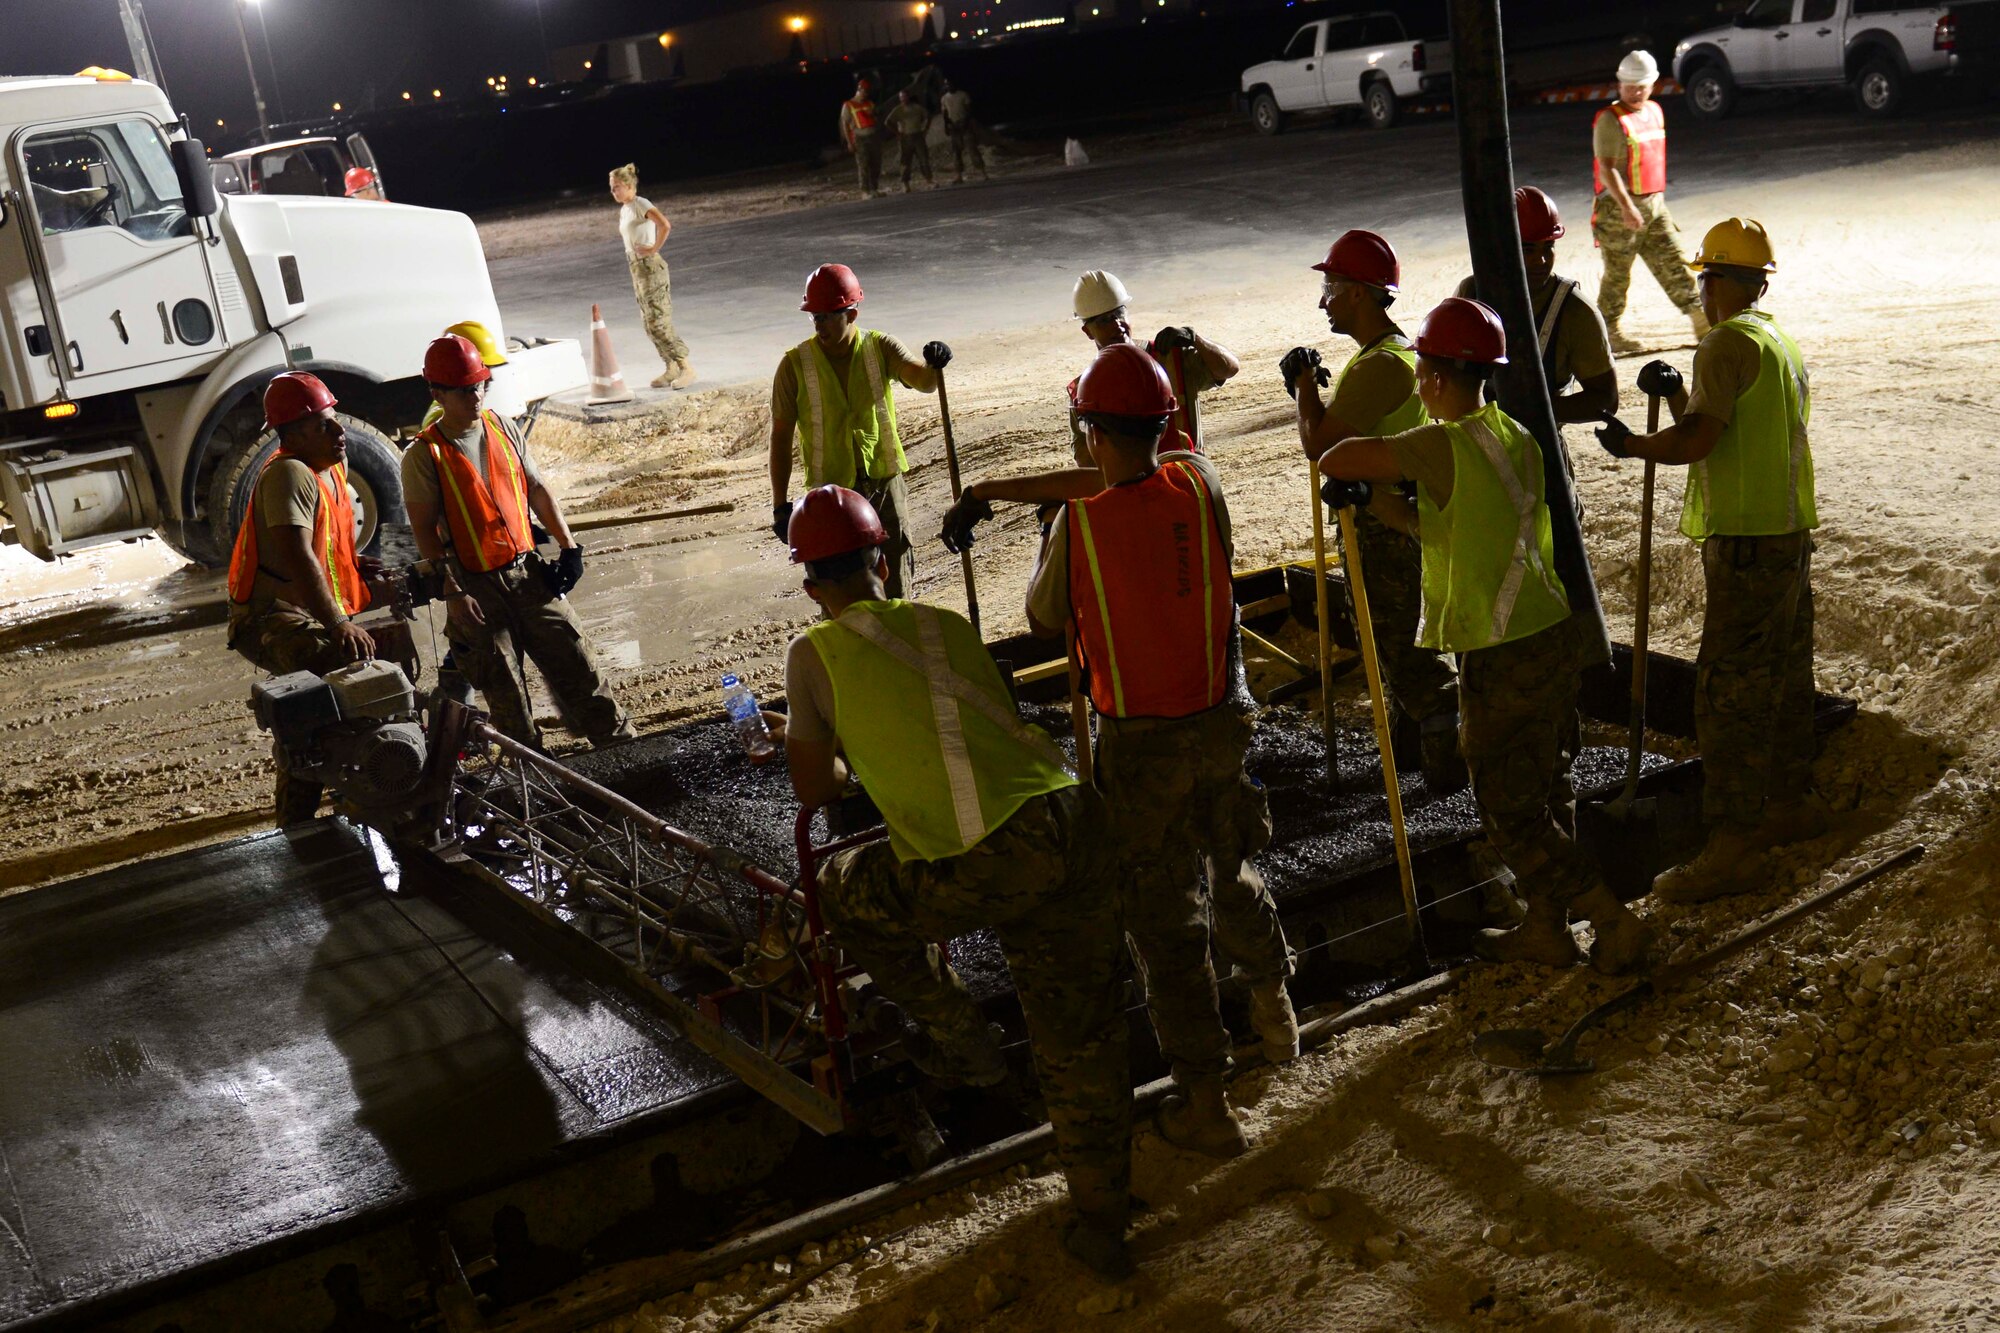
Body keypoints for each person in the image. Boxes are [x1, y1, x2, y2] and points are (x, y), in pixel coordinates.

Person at [944, 344, 1298, 1159]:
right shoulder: (1199, 482)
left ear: (1092, 431)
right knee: (1233, 862)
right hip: (1221, 719)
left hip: (1141, 747)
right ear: (1166, 422)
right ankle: (1276, 1007)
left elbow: (1041, 616)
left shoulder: (1079, 523)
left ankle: (1207, 1103)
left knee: (1167, 925)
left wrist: (1038, 528)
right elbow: (1135, 480)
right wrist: (999, 487)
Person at [775, 485, 1134, 1278]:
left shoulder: (813, 654)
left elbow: (816, 791)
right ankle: (1110, 1194)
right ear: (884, 558)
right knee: (1083, 1025)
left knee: (841, 889)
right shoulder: (942, 625)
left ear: (810, 586)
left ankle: (967, 1046)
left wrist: (818, 734)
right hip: (1072, 815)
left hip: (996, 855)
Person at [1319, 297, 1654, 975]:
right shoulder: (1514, 435)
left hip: (1503, 652)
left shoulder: (1439, 442)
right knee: (1547, 788)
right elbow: (1454, 525)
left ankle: (1613, 918)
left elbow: (1337, 453)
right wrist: (1387, 507)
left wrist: (1365, 474)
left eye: (1422, 374)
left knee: (1509, 812)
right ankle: (1547, 929)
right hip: (1547, 633)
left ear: (1438, 378)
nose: (1418, 385)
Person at [1596, 218, 1821, 902]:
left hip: (1749, 545)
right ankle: (1787, 802)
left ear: (1718, 281)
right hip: (1788, 535)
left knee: (1726, 693)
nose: (1702, 287)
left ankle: (1731, 844)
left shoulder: (1723, 344)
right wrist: (1672, 395)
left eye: (1704, 277)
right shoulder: (1775, 338)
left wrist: (1634, 445)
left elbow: (1697, 440)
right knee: (1782, 674)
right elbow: (1728, 425)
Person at [1286, 230, 1464, 790]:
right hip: (1378, 519)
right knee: (1393, 647)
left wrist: (1301, 388)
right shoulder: (1378, 360)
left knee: (1406, 648)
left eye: (1331, 287)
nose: (1323, 300)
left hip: (1387, 528)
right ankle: (1414, 762)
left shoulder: (1382, 366)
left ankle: (1446, 777)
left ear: (1360, 293)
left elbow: (1323, 449)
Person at [401, 334, 634, 751]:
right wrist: (453, 593)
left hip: (526, 573)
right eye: (462, 390)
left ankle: (624, 755)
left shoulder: (503, 427)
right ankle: (534, 787)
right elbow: (423, 531)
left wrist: (568, 546)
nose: (475, 396)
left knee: (581, 667)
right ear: (437, 392)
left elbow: (537, 489)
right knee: (509, 703)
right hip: (475, 586)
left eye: (479, 385)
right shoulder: (424, 455)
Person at [226, 371, 383, 824]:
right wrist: (339, 623)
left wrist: (363, 569)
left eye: (334, 420)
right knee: (328, 685)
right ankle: (298, 815)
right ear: (292, 434)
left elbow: (329, 550)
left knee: (370, 665)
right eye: (322, 425)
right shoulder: (290, 474)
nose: (339, 432)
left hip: (301, 611)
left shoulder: (330, 469)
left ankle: (350, 781)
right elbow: (299, 559)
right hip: (267, 619)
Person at [769, 263, 950, 600]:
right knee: (840, 593)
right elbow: (780, 437)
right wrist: (780, 505)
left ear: (851, 314)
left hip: (884, 485)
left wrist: (934, 363)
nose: (819, 325)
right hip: (829, 498)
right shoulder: (794, 365)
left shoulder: (880, 347)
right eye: (815, 317)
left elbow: (923, 380)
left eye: (827, 316)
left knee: (894, 581)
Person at [1592, 49, 1707, 355]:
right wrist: (1628, 207)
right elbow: (1607, 169)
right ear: (1619, 84)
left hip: (1654, 205)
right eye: (1630, 86)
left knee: (1674, 260)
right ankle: (1609, 332)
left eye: (1641, 86)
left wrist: (1650, 204)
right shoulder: (1610, 121)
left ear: (1653, 84)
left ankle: (1701, 321)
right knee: (1618, 275)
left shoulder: (1655, 111)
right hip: (1619, 209)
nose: (1635, 92)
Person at [1067, 269, 1239, 463]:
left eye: (1119, 313)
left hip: (1185, 474)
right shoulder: (1087, 387)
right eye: (1105, 320)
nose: (1117, 324)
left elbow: (1228, 368)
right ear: (1088, 331)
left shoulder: (1169, 357)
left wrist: (1195, 339)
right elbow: (1083, 458)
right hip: (1137, 488)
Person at [609, 164, 697, 390]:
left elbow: (664, 225)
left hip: (650, 267)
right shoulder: (625, 209)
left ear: (629, 186)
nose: (614, 192)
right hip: (636, 269)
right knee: (648, 323)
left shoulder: (641, 204)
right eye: (612, 188)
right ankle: (671, 367)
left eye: (617, 187)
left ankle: (686, 367)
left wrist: (653, 248)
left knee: (659, 321)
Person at [839, 77, 884, 199]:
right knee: (863, 165)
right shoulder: (849, 105)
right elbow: (845, 124)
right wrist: (849, 142)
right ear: (859, 90)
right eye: (864, 92)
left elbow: (876, 119)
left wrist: (873, 114)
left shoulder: (869, 103)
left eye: (867, 92)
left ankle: (874, 188)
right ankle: (865, 191)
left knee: (876, 164)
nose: (866, 95)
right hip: (860, 138)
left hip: (873, 136)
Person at [939, 78, 987, 183]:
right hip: (954, 126)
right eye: (947, 85)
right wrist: (946, 126)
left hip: (964, 124)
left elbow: (969, 110)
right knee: (956, 152)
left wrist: (966, 122)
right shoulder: (944, 98)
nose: (949, 86)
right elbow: (945, 114)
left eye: (950, 84)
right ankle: (958, 176)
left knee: (972, 149)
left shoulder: (963, 95)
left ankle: (982, 172)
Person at [887, 89, 934, 193]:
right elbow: (888, 122)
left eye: (905, 96)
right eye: (901, 97)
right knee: (905, 162)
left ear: (908, 97)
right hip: (905, 137)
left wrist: (925, 129)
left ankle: (929, 180)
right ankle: (905, 184)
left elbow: (927, 116)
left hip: (917, 135)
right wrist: (897, 133)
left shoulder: (917, 107)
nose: (903, 99)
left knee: (923, 158)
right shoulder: (898, 110)